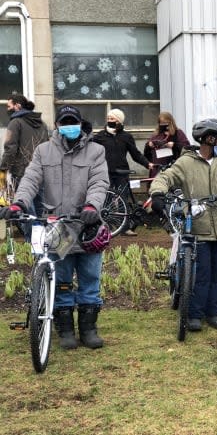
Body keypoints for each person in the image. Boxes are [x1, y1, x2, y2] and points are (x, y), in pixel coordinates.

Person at [0, 105, 110, 349]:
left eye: (73, 121)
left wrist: (92, 206)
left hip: (87, 224)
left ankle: (89, 328)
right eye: (64, 121)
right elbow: (30, 179)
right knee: (61, 280)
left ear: (81, 124)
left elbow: (99, 182)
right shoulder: (43, 151)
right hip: (58, 226)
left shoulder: (96, 151)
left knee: (90, 278)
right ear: (58, 125)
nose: (69, 125)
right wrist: (19, 203)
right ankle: (65, 329)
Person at [149, 119, 217, 331]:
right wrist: (157, 194)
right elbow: (165, 178)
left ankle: (215, 311)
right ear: (208, 138)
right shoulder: (185, 163)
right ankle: (194, 314)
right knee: (201, 273)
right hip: (199, 227)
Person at [93, 108, 153, 236]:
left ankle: (125, 228)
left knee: (123, 200)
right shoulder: (99, 136)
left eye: (113, 119)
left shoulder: (126, 137)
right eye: (108, 119)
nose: (110, 121)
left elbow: (135, 154)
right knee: (105, 200)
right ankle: (105, 227)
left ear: (119, 121)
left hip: (122, 172)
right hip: (105, 172)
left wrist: (147, 164)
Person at [1, 94, 49, 187]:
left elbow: (10, 149)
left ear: (17, 106)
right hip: (41, 171)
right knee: (40, 201)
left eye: (9, 106)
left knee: (22, 200)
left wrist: (3, 169)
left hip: (21, 173)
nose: (7, 110)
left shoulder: (15, 123)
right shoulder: (43, 124)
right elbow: (47, 148)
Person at [143, 111, 190, 178]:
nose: (164, 125)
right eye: (161, 123)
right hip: (157, 169)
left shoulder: (178, 133)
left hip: (173, 169)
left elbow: (187, 148)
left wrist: (174, 145)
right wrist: (149, 145)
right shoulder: (156, 135)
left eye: (166, 123)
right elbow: (147, 154)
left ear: (171, 122)